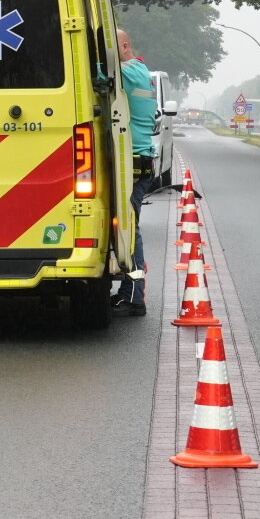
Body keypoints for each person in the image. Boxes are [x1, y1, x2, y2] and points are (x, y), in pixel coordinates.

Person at [113, 28, 157, 317]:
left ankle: (134, 297)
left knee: (129, 230)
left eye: (110, 44)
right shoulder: (140, 70)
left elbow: (98, 73)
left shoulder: (126, 72)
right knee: (130, 227)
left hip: (134, 163)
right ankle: (129, 293)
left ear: (125, 45)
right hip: (141, 161)